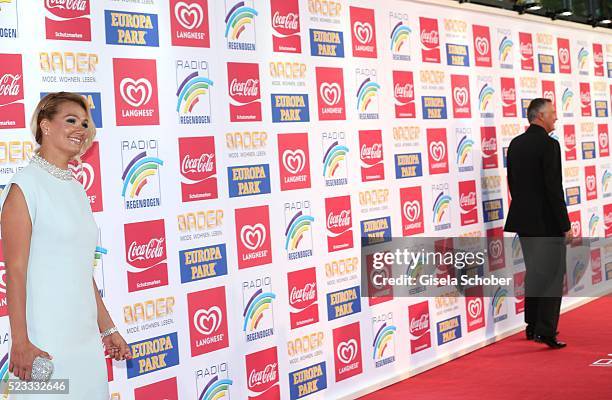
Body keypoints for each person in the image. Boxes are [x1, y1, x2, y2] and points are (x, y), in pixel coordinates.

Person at [0, 92, 132, 397]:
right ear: (45, 126)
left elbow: (80, 268)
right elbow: (15, 271)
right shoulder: (24, 186)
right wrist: (19, 341)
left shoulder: (76, 189)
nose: (80, 128)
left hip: (83, 336)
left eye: (85, 123)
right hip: (45, 335)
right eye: (70, 120)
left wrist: (108, 329)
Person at [504, 98, 572, 349]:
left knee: (535, 272)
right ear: (540, 116)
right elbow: (554, 189)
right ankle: (546, 331)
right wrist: (565, 224)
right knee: (553, 275)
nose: (556, 117)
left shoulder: (515, 144)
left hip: (523, 220)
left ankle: (532, 326)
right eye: (553, 113)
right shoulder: (549, 145)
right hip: (546, 222)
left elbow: (512, 183)